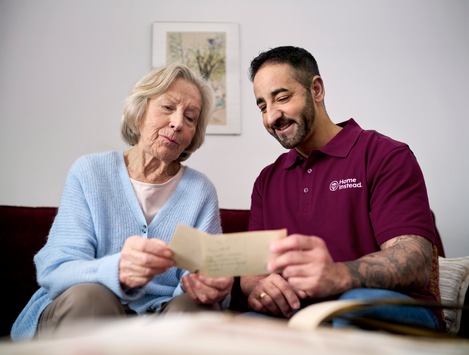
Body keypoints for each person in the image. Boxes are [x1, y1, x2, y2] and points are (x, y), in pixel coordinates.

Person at [11, 63, 233, 341]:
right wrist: (115, 271)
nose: (178, 123)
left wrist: (209, 287)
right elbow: (56, 270)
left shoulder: (200, 191)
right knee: (92, 298)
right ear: (140, 111)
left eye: (190, 117)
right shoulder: (91, 172)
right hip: (83, 307)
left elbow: (201, 279)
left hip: (160, 319)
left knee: (197, 309)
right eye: (167, 108)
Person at [240, 46, 445, 331]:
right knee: (241, 327)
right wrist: (260, 289)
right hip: (303, 315)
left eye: (282, 98)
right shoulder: (267, 180)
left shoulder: (386, 155)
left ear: (317, 89)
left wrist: (337, 275)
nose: (272, 116)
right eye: (263, 106)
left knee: (354, 306)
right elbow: (252, 272)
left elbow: (415, 259)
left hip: (387, 310)